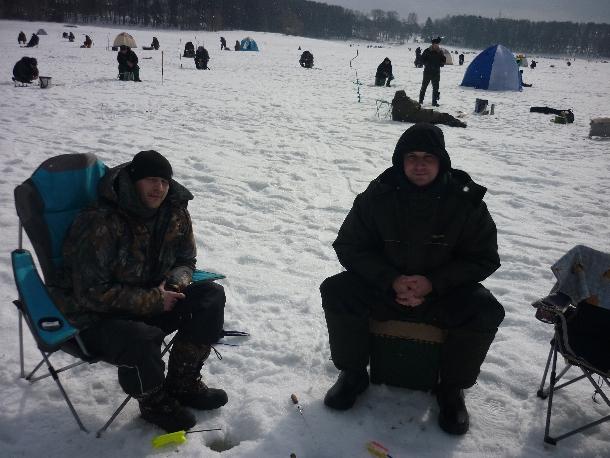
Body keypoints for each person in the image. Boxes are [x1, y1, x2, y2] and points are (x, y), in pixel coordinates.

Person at [320, 123, 504, 436]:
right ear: (400, 161)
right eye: (412, 157)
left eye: (428, 157)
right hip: (385, 290)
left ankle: (451, 389)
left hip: (441, 296)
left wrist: (433, 283)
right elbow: (349, 245)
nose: (420, 165)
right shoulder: (377, 196)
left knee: (484, 309)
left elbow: (484, 257)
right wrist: (390, 279)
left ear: (442, 161)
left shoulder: (465, 201)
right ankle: (353, 374)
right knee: (337, 290)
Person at [50, 150, 229, 432]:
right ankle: (153, 402)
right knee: (141, 337)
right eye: (151, 180)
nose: (159, 188)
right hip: (94, 318)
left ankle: (182, 383)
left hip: (152, 300)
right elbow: (90, 293)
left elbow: (186, 260)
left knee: (210, 296)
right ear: (133, 181)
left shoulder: (174, 213)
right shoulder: (101, 222)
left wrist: (175, 284)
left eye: (164, 181)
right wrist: (154, 300)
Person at [391, 90, 466, 128]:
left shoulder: (395, 107)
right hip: (425, 115)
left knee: (441, 120)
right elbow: (418, 104)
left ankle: (457, 123)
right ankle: (460, 124)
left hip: (419, 118)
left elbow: (395, 118)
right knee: (445, 116)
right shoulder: (407, 102)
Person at [419, 37, 446, 106]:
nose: (436, 45)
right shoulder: (427, 51)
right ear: (432, 44)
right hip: (427, 72)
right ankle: (420, 101)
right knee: (424, 87)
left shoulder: (440, 52)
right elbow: (422, 59)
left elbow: (443, 60)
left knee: (436, 88)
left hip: (436, 73)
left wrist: (442, 63)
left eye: (437, 44)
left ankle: (434, 102)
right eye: (435, 44)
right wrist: (427, 63)